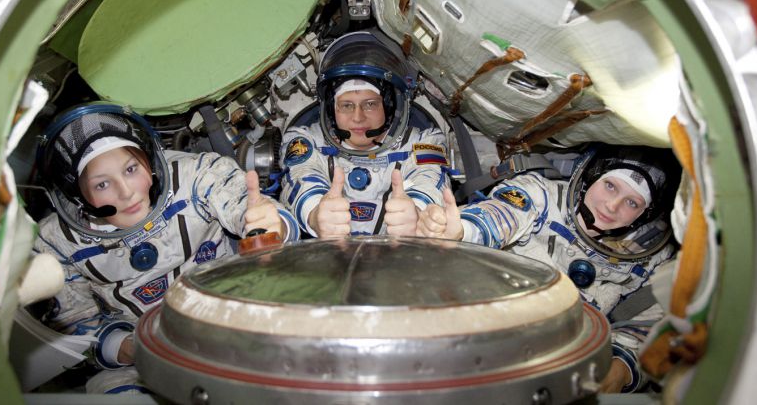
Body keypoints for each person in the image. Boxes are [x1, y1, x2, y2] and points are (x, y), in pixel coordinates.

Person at [31, 103, 299, 393]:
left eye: (131, 169)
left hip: (235, 325)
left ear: (148, 162)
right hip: (142, 362)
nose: (126, 192)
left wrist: (269, 225)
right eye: (102, 185)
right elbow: (77, 326)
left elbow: (246, 205)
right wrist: (127, 347)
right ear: (78, 196)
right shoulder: (58, 245)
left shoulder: (197, 177)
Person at [418, 144, 681, 393]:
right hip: (483, 338)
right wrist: (464, 230)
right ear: (591, 176)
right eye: (610, 186)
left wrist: (622, 367)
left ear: (646, 214)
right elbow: (502, 214)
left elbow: (647, 327)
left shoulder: (652, 261)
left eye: (632, 202)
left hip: (562, 367)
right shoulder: (541, 197)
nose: (613, 206)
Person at [280, 30, 447, 238]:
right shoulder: (306, 141)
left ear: (390, 106)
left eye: (370, 104)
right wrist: (315, 214)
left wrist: (417, 212)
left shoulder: (425, 142)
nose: (357, 118)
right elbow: (301, 177)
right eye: (346, 105)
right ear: (331, 109)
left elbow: (429, 179)